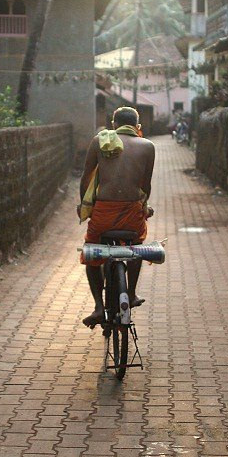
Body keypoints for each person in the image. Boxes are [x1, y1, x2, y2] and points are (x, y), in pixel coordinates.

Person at [78, 107, 156, 328]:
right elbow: (145, 185)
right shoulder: (148, 146)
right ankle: (130, 294)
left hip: (103, 213)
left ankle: (98, 307)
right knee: (136, 247)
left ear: (114, 125)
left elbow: (86, 178)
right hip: (132, 214)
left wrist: (85, 206)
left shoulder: (100, 141)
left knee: (91, 254)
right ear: (138, 127)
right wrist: (144, 206)